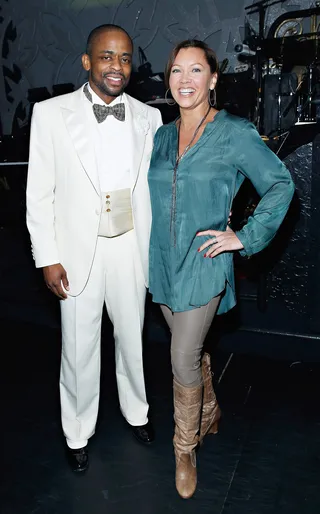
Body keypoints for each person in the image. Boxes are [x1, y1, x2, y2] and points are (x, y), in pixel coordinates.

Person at [148, 39, 295, 499]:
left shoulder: (234, 131)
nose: (184, 80)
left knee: (179, 358)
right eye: (177, 70)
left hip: (205, 261)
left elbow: (279, 184)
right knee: (188, 352)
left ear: (213, 79)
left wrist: (243, 237)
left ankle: (184, 450)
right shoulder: (162, 135)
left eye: (196, 71)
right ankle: (208, 409)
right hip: (162, 263)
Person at [26, 24, 162, 473]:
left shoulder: (149, 117)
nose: (116, 67)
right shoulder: (50, 114)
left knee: (132, 339)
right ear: (87, 61)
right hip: (76, 250)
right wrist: (47, 256)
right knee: (79, 347)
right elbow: (39, 193)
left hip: (130, 248)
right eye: (106, 57)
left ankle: (136, 412)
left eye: (124, 59)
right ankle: (78, 431)